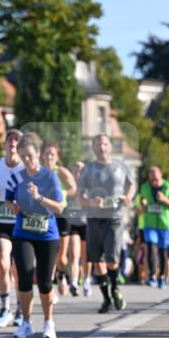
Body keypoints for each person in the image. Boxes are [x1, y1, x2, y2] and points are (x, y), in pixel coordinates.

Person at [5, 132, 64, 338]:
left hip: (47, 234)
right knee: (24, 277)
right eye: (23, 156)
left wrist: (39, 197)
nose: (27, 160)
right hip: (23, 232)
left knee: (46, 283)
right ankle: (27, 323)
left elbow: (59, 208)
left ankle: (49, 322)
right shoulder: (16, 177)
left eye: (30, 155)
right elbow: (8, 199)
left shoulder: (50, 177)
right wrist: (12, 206)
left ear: (38, 153)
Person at [77, 134, 135, 313]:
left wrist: (128, 197)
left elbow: (131, 185)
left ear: (109, 146)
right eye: (97, 145)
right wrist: (90, 202)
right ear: (93, 148)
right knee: (97, 261)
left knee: (111, 259)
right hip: (94, 219)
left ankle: (115, 288)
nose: (101, 147)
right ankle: (106, 299)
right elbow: (80, 197)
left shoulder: (121, 166)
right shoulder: (87, 169)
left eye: (104, 144)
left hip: (114, 218)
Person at [0, 129, 23, 327]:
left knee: (18, 269)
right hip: (0, 218)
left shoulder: (25, 166)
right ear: (5, 143)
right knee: (2, 263)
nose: (13, 143)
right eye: (10, 139)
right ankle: (5, 308)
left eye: (17, 140)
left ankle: (20, 309)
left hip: (19, 220)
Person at [41, 142, 77, 296]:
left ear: (57, 157)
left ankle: (62, 274)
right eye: (47, 154)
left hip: (62, 215)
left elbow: (74, 188)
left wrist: (63, 193)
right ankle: (49, 288)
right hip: (45, 216)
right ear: (42, 156)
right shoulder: (38, 172)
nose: (49, 157)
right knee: (48, 254)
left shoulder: (61, 171)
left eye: (52, 154)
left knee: (61, 257)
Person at [136, 166, 169, 288]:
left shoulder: (168, 187)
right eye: (151, 173)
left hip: (164, 224)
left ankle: (162, 277)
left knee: (163, 251)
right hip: (149, 223)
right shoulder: (144, 187)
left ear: (161, 174)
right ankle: (152, 275)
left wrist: (164, 199)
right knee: (150, 247)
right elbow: (139, 202)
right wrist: (142, 204)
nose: (153, 176)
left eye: (155, 173)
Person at [65, 161, 90, 297]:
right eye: (75, 170)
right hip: (73, 225)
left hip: (86, 224)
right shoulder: (68, 188)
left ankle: (86, 280)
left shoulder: (88, 188)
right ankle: (74, 282)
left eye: (81, 170)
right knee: (74, 254)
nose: (78, 173)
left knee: (86, 256)